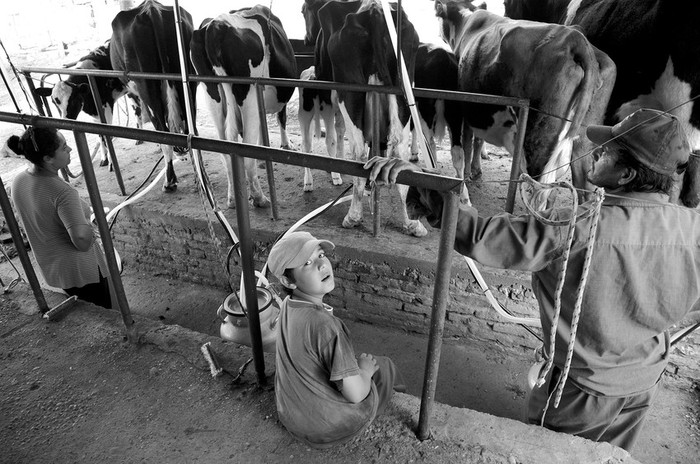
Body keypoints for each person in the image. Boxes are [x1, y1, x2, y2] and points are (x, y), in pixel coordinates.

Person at [364, 108, 700, 453]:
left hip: (582, 389)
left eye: (609, 149)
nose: (596, 151)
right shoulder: (692, 226)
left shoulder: (577, 225)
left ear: (627, 174)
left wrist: (424, 181)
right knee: (609, 456)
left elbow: (479, 235)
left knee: (557, 454)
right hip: (645, 378)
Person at [267, 231, 404, 448]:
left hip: (290, 416)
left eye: (321, 255)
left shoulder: (287, 305)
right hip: (328, 429)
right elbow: (355, 394)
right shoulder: (327, 326)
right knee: (384, 366)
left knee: (352, 365)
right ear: (287, 280)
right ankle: (395, 400)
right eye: (307, 263)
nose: (322, 265)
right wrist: (366, 371)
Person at [7, 126, 112, 309]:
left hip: (55, 268)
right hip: (82, 271)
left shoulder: (18, 181)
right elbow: (82, 241)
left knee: (82, 311)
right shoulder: (63, 192)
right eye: (64, 147)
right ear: (48, 158)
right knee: (103, 313)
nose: (70, 149)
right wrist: (91, 222)